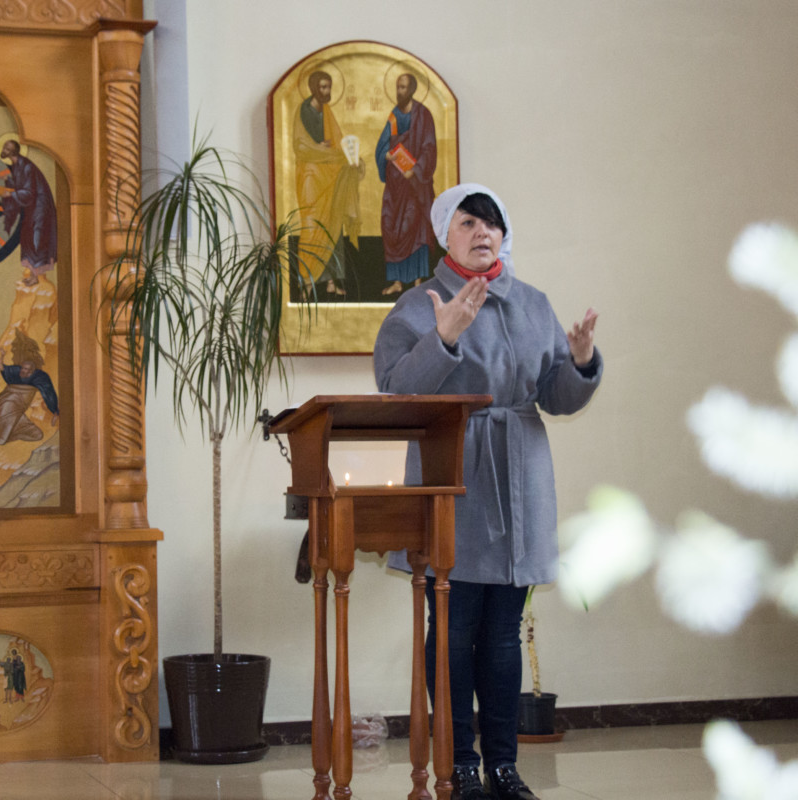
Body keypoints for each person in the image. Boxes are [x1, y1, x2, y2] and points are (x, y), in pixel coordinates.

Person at [373, 184, 601, 800]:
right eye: (469, 223)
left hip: (520, 476)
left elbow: (555, 397)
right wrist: (442, 338)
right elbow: (396, 391)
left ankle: (503, 767)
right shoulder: (418, 305)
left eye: (492, 224)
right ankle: (458, 767)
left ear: (504, 235)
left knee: (503, 632)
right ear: (444, 235)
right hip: (451, 474)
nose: (483, 233)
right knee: (452, 628)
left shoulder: (531, 303)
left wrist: (580, 362)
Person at [292, 70, 363, 298]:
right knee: (312, 228)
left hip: (330, 177)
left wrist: (351, 159)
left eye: (329, 87)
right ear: (314, 88)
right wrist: (319, 149)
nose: (326, 91)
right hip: (311, 177)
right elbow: (299, 146)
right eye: (322, 87)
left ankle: (332, 281)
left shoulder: (327, 112)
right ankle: (306, 283)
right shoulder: (303, 112)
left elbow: (338, 143)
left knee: (333, 228)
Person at [375, 72, 437, 296]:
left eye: (403, 87)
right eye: (397, 87)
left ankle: (418, 281)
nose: (399, 92)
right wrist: (387, 155)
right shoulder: (394, 116)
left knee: (414, 225)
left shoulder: (423, 115)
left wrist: (416, 170)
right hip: (395, 185)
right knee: (391, 225)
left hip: (415, 185)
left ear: (411, 90)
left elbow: (429, 148)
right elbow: (382, 145)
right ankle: (397, 282)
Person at [0, 138, 58, 287]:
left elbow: (29, 192)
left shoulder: (27, 166)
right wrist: (8, 180)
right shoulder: (17, 166)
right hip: (31, 207)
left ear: (12, 152)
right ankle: (33, 275)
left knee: (37, 238)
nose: (3, 150)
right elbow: (20, 187)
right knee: (27, 238)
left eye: (6, 148)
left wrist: (10, 194)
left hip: (40, 207)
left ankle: (37, 276)